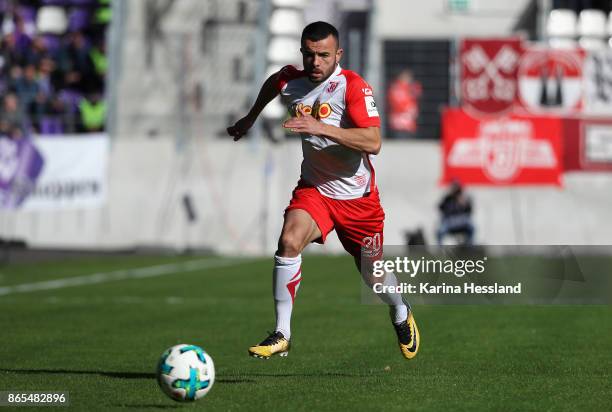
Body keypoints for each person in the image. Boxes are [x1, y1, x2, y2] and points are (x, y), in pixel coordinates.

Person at [227, 21, 419, 360]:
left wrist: (321, 127)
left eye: (323, 55)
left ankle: (401, 310)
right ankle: (282, 332)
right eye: (309, 55)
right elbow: (275, 82)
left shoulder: (352, 87)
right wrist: (250, 118)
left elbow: (373, 142)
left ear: (338, 54)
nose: (315, 62)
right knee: (288, 241)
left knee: (374, 276)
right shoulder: (292, 80)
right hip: (315, 190)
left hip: (358, 201)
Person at [437, 180, 475, 245]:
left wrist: (465, 204)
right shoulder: (448, 198)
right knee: (440, 231)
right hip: (449, 222)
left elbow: (470, 211)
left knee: (472, 228)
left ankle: (470, 246)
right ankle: (440, 248)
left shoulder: (464, 198)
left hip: (462, 221)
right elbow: (440, 208)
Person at [387, 69, 421, 138]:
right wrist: (408, 109)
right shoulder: (396, 88)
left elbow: (417, 96)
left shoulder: (411, 87)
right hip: (399, 123)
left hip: (409, 123)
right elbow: (396, 103)